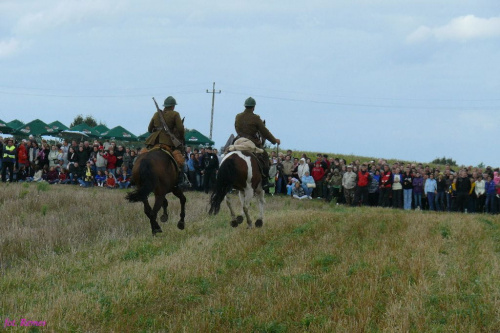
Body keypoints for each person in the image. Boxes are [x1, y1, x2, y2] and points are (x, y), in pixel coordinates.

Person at [234, 97, 281, 190]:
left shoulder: (238, 116)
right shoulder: (256, 118)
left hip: (239, 139)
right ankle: (265, 181)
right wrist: (274, 140)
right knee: (264, 156)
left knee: (229, 149)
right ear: (253, 107)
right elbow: (264, 132)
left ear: (245, 106)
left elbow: (236, 127)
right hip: (251, 140)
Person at [145, 95, 186, 187]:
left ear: (165, 106)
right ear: (173, 106)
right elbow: (180, 129)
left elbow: (149, 129)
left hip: (154, 141)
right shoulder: (175, 114)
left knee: (143, 155)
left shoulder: (156, 114)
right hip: (168, 142)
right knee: (179, 161)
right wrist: (181, 138)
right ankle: (180, 180)